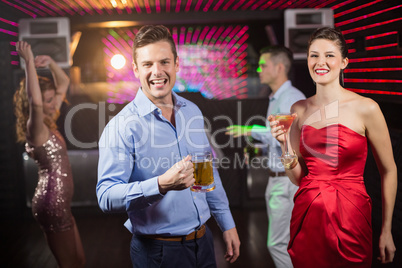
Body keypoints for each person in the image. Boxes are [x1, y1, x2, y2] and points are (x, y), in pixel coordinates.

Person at [96, 25, 240, 268]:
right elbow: (106, 196)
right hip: (158, 252)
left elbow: (207, 172)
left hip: (203, 243)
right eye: (147, 64)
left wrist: (227, 223)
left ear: (176, 64)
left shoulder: (192, 111)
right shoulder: (122, 126)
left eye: (164, 62)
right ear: (135, 69)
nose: (157, 72)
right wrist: (160, 185)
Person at [269, 27, 397, 267]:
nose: (320, 62)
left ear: (344, 62)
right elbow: (298, 179)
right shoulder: (298, 109)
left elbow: (389, 171)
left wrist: (387, 230)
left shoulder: (366, 108)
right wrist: (284, 144)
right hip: (307, 216)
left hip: (351, 218)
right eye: (314, 55)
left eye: (329, 55)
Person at [226, 45, 305, 268]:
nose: (258, 69)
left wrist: (248, 130)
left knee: (278, 244)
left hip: (286, 180)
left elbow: (284, 134)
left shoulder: (291, 96)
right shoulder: (277, 97)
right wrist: (258, 149)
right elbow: (281, 141)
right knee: (285, 242)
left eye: (263, 65)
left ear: (279, 68)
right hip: (277, 178)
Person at [14, 41, 86, 268]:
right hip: (50, 203)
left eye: (54, 97)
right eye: (49, 100)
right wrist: (29, 63)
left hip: (61, 204)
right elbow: (35, 101)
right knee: (69, 264)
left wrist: (52, 64)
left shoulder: (49, 118)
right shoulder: (35, 127)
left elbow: (63, 82)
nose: (55, 103)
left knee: (79, 261)